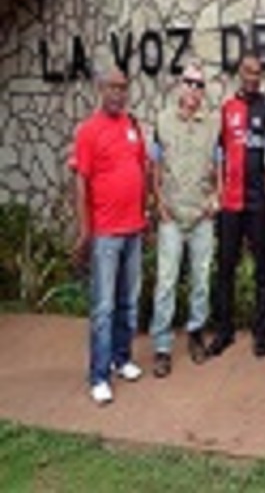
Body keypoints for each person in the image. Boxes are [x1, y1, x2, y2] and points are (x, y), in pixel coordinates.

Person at [70, 66, 146, 405]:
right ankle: (99, 376)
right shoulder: (88, 131)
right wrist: (84, 229)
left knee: (128, 300)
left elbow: (140, 169)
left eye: (123, 87)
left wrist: (145, 215)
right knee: (103, 307)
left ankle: (122, 358)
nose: (118, 93)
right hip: (105, 232)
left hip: (134, 228)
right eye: (112, 87)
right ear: (100, 89)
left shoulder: (132, 126)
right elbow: (81, 182)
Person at [208, 51, 265, 358]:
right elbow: (218, 155)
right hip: (231, 203)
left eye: (257, 72)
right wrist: (218, 191)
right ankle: (224, 330)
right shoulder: (227, 109)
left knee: (263, 269)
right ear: (240, 73)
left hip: (259, 204)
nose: (252, 77)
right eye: (248, 71)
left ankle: (261, 332)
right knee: (226, 268)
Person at [149, 62, 218, 378]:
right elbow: (154, 166)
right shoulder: (162, 121)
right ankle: (162, 346)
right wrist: (158, 203)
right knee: (166, 281)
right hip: (172, 216)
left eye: (199, 84)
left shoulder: (212, 125)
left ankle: (195, 332)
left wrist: (216, 197)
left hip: (201, 215)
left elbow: (220, 165)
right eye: (189, 82)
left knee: (201, 280)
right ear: (180, 85)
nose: (193, 89)